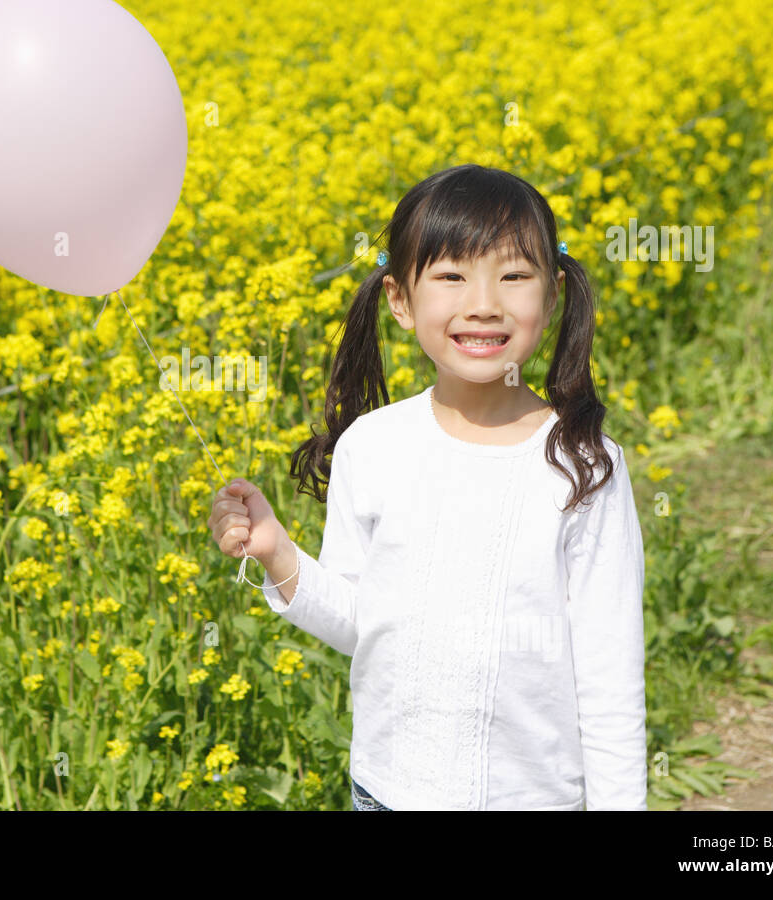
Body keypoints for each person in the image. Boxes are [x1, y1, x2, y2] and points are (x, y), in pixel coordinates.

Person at [208, 164, 647, 811]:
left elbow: (610, 682)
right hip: (388, 793)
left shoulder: (584, 467)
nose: (484, 302)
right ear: (400, 300)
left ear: (551, 295)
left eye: (513, 275)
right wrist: (279, 554)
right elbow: (364, 622)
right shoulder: (374, 446)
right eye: (452, 275)